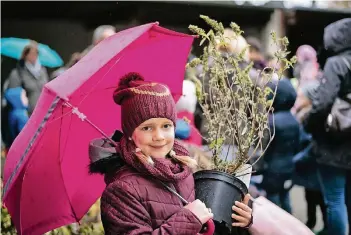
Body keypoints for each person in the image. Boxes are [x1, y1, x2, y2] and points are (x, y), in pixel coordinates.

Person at [88, 72, 253, 234]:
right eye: (147, 128)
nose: (159, 137)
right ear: (130, 133)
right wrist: (189, 220)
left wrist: (240, 222)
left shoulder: (183, 167)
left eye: (166, 126)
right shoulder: (121, 191)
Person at [303, 18, 351, 235]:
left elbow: (322, 104)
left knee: (334, 199)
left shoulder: (337, 63)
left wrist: (311, 126)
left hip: (334, 141)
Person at [6, 41, 49, 115]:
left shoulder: (42, 70)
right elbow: (14, 95)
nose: (34, 56)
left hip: (43, 112)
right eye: (31, 53)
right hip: (27, 114)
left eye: (36, 53)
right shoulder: (17, 72)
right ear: (25, 55)